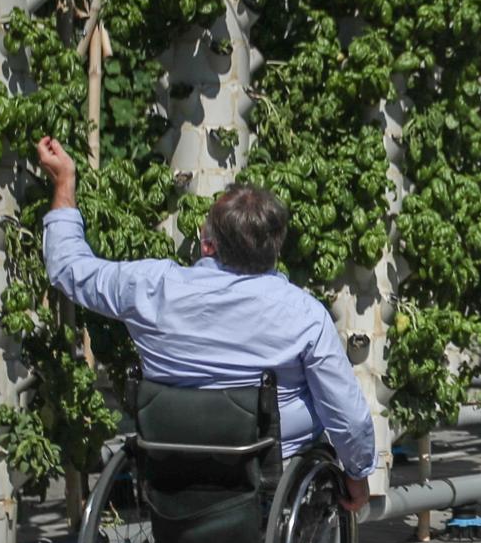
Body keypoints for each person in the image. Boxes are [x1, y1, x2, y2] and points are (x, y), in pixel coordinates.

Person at [34, 136, 375, 516]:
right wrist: (358, 473)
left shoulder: (152, 288)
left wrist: (65, 182)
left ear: (208, 245)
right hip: (268, 474)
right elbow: (346, 410)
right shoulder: (304, 314)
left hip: (171, 464)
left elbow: (69, 269)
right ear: (274, 248)